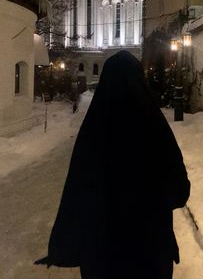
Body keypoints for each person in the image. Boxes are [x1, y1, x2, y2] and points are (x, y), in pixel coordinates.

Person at [44, 50, 190, 279]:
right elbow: (180, 192)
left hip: (102, 257)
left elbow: (76, 193)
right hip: (149, 254)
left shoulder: (93, 132)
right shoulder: (156, 130)